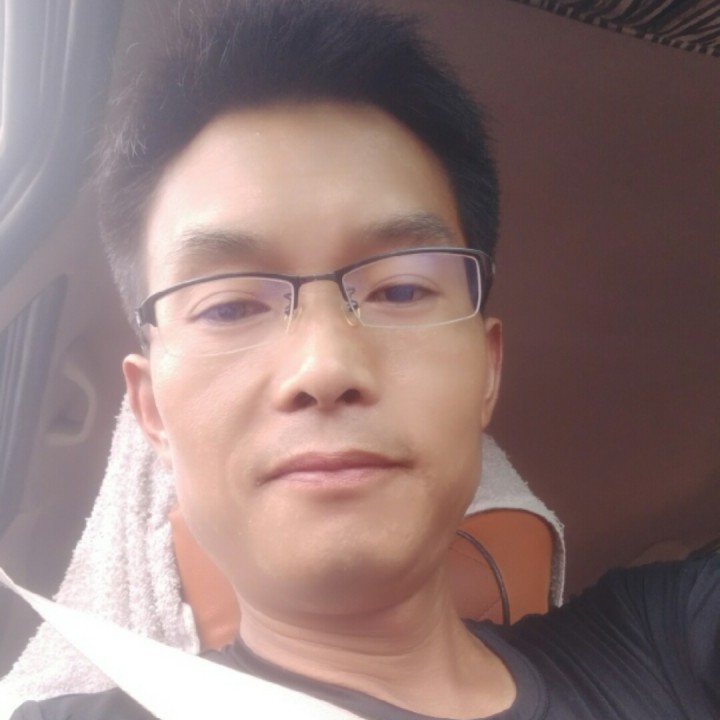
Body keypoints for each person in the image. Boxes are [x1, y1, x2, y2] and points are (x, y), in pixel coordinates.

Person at [10, 0, 719, 718]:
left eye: (402, 289)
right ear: (152, 411)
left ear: (487, 369)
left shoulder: (667, 644)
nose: (324, 367)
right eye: (229, 307)